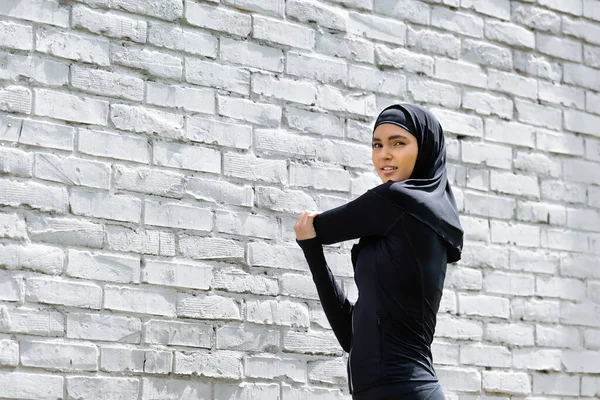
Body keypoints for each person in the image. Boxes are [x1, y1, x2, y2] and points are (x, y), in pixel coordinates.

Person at [294, 104, 463, 400]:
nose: (384, 154)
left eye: (398, 143)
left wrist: (309, 235)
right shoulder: (416, 214)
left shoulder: (398, 201)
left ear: (424, 149)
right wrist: (312, 253)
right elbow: (350, 337)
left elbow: (322, 228)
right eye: (377, 144)